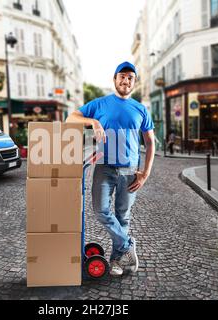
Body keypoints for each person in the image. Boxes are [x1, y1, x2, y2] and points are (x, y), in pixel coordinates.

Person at [66, 61, 156, 276]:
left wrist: (145, 173)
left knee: (122, 215)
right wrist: (93, 122)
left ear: (134, 82)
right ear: (114, 79)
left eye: (130, 77)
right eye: (122, 76)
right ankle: (127, 244)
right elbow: (71, 118)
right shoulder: (100, 104)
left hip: (129, 170)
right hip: (104, 167)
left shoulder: (140, 109)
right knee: (100, 211)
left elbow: (150, 142)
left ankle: (115, 260)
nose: (126, 80)